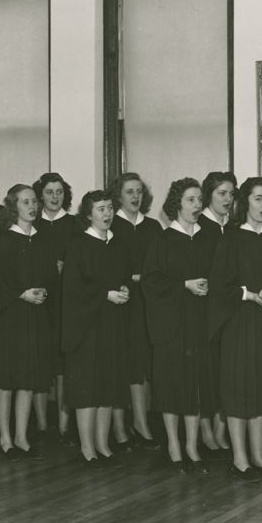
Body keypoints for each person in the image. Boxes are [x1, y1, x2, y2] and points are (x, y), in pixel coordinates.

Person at [209, 177, 262, 481]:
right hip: (239, 322)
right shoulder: (230, 239)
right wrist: (249, 294)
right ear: (245, 202)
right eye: (258, 199)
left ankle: (258, 456)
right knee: (238, 388)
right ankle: (239, 459)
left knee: (261, 387)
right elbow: (220, 286)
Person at [143, 179, 216, 474]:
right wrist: (184, 285)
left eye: (199, 199)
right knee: (173, 386)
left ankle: (192, 446)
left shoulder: (207, 238)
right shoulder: (162, 240)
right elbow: (150, 283)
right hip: (171, 325)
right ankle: (174, 445)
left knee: (195, 386)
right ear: (177, 205)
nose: (197, 205)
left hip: (198, 323)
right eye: (190, 200)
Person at [0, 184, 58, 459]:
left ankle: (22, 436)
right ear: (13, 207)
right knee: (6, 381)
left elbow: (51, 278)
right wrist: (21, 294)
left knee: (27, 380)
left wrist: (44, 291)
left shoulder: (42, 241)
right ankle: (4, 437)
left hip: (34, 317)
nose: (33, 206)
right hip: (8, 319)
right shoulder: (4, 242)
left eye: (34, 201)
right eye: (26, 202)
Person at [61, 190, 130, 465]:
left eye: (110, 208)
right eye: (101, 209)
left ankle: (103, 444)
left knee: (107, 387)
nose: (107, 213)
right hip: (86, 328)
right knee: (88, 388)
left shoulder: (118, 244)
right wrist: (105, 295)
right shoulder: (78, 244)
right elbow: (74, 289)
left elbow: (122, 277)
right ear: (88, 214)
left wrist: (124, 289)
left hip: (111, 324)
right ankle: (87, 447)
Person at [109, 172, 162, 449]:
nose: (135, 197)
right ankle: (119, 428)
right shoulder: (111, 224)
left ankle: (140, 424)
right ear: (119, 195)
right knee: (120, 364)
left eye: (139, 191)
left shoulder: (153, 227)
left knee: (141, 366)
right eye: (129, 191)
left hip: (147, 304)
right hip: (120, 304)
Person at [33, 171, 78, 445]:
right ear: (41, 195)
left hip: (66, 300)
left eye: (59, 192)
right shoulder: (32, 223)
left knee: (63, 365)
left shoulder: (73, 225)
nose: (54, 197)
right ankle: (40, 423)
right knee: (39, 362)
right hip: (40, 301)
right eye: (49, 192)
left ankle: (63, 425)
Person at [197, 171, 238, 455]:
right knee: (205, 373)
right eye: (222, 193)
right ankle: (206, 432)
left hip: (232, 312)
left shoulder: (235, 229)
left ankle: (221, 430)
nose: (228, 199)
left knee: (228, 373)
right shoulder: (199, 228)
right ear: (208, 195)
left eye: (231, 194)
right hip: (204, 312)